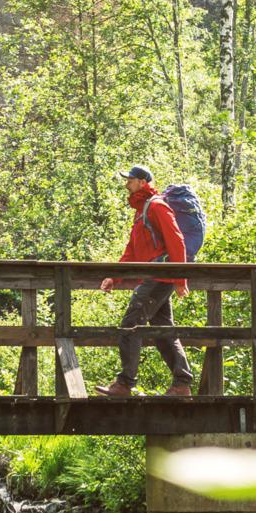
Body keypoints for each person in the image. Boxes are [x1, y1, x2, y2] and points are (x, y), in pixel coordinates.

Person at [98, 165, 192, 397]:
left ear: (141, 182)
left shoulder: (157, 206)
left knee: (130, 325)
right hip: (154, 277)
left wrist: (180, 279)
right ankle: (181, 384)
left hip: (160, 277)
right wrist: (115, 276)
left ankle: (125, 383)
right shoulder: (141, 211)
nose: (126, 185)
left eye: (129, 180)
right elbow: (132, 250)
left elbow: (177, 242)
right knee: (163, 330)